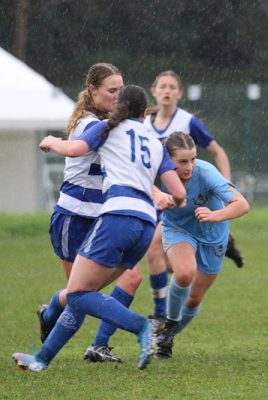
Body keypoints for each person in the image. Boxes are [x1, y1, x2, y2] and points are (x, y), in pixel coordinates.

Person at [13, 85, 186, 372]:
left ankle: (140, 325)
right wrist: (171, 202)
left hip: (117, 217)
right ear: (144, 113)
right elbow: (178, 193)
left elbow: (75, 149)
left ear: (119, 107)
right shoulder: (156, 142)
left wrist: (52, 141)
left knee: (77, 293)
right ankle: (42, 359)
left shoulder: (108, 128)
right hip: (146, 224)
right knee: (84, 293)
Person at [36, 63, 144, 363]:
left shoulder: (111, 123)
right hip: (74, 217)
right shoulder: (89, 124)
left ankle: (97, 343)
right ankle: (51, 316)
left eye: (121, 90)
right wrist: (55, 142)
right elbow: (78, 147)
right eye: (112, 90)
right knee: (79, 295)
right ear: (93, 90)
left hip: (103, 218)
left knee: (131, 277)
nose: (118, 95)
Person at [143, 70, 244, 326]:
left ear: (180, 93)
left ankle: (164, 316)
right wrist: (155, 192)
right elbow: (140, 169)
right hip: (166, 204)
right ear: (154, 91)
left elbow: (218, 151)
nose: (167, 91)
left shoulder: (189, 122)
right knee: (160, 256)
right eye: (162, 86)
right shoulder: (144, 125)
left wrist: (222, 189)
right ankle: (161, 313)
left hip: (195, 203)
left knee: (167, 261)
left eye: (172, 87)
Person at [152, 132, 250, 359]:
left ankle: (168, 336)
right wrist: (156, 193)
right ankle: (169, 328)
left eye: (193, 159)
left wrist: (215, 215)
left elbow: (242, 205)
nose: (189, 167)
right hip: (178, 229)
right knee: (185, 273)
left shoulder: (206, 173)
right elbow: (138, 180)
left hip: (213, 235)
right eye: (182, 161)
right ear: (168, 160)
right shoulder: (157, 171)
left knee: (195, 298)